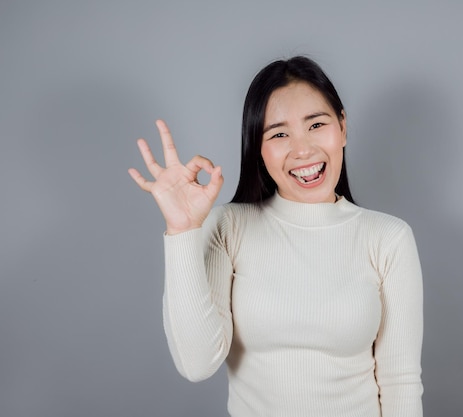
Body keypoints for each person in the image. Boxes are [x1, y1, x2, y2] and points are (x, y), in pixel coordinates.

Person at [128, 56, 423, 416]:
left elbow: (400, 382)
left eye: (316, 124)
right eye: (279, 134)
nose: (303, 150)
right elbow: (196, 364)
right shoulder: (228, 227)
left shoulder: (388, 238)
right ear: (258, 149)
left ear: (342, 127)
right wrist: (182, 231)